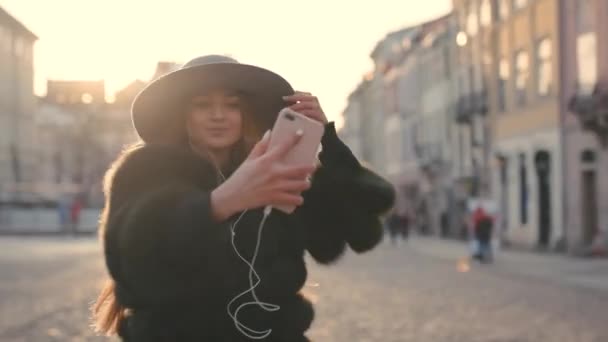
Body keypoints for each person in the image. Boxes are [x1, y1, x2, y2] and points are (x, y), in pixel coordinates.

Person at [92, 55, 395, 341]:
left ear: (245, 114)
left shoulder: (274, 170)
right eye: (202, 105)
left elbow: (359, 234)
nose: (218, 115)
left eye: (232, 105)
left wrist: (328, 143)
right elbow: (131, 254)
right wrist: (220, 203)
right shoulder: (146, 170)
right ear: (182, 114)